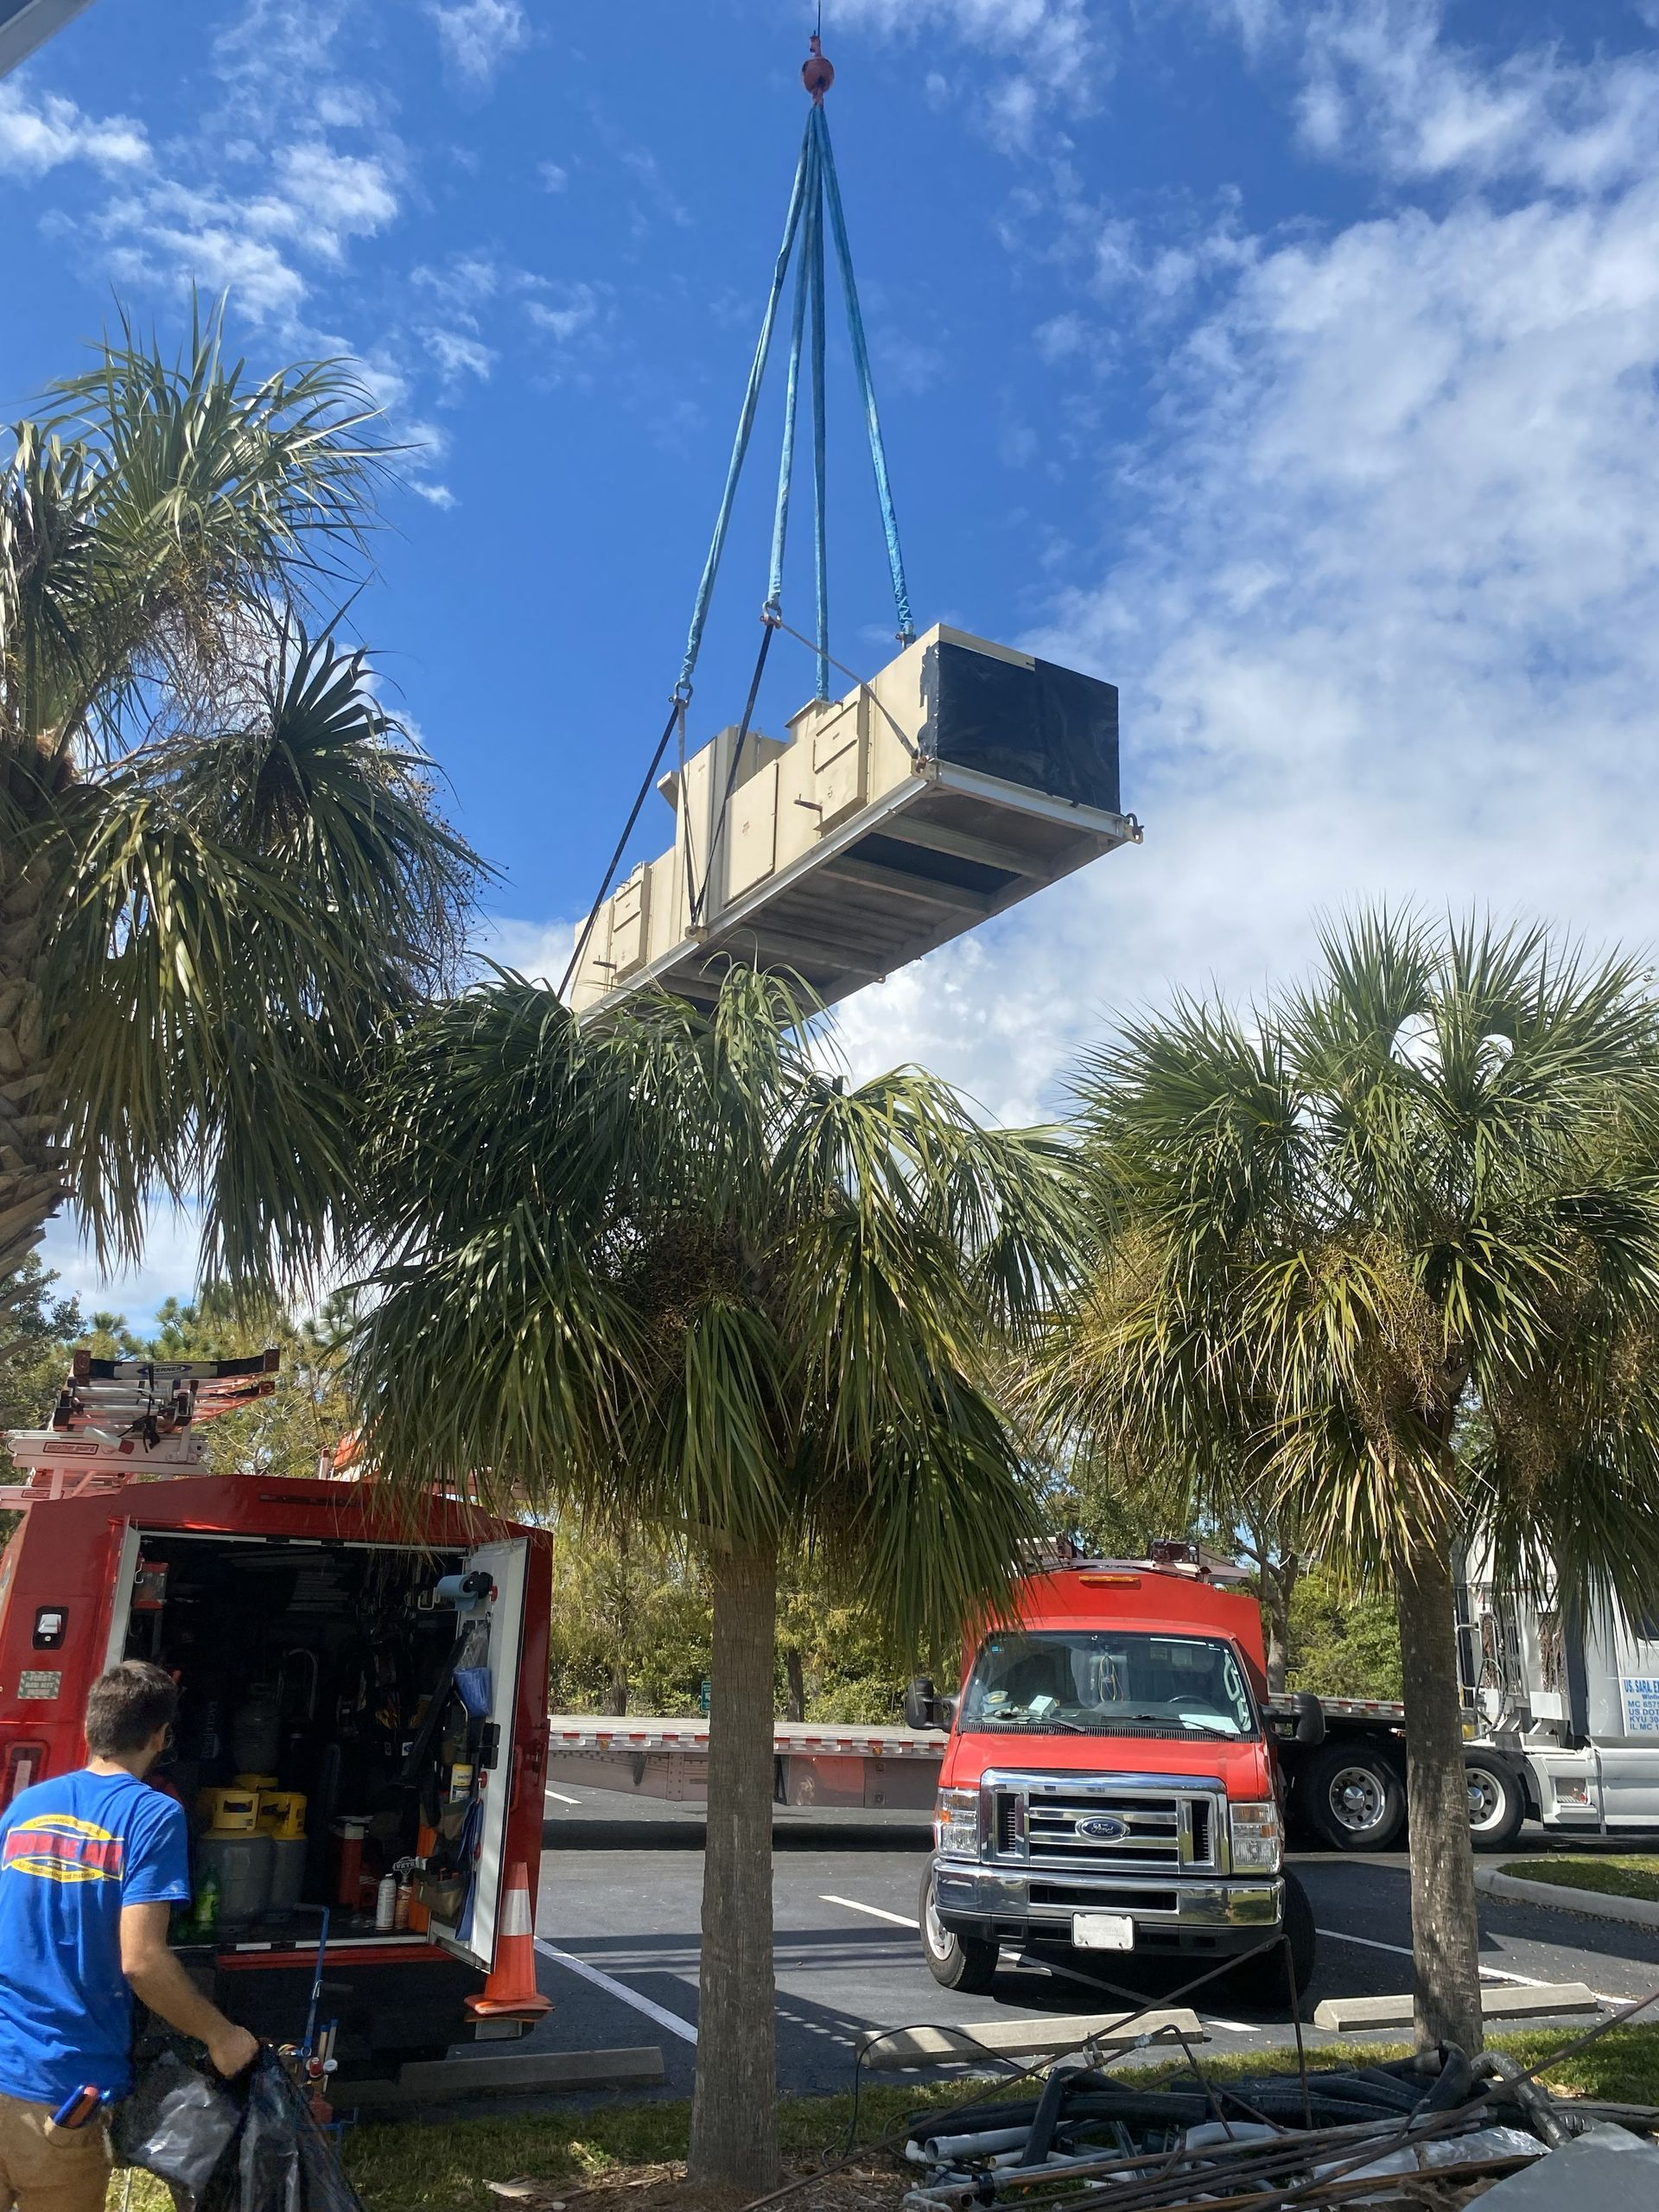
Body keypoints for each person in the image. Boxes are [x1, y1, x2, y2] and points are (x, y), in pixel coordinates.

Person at [0, 1660, 260, 2212]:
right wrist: (220, 2036)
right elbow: (142, 1961)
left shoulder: (26, 1808)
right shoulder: (152, 1816)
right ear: (161, 1737)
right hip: (59, 2088)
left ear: (90, 1730)